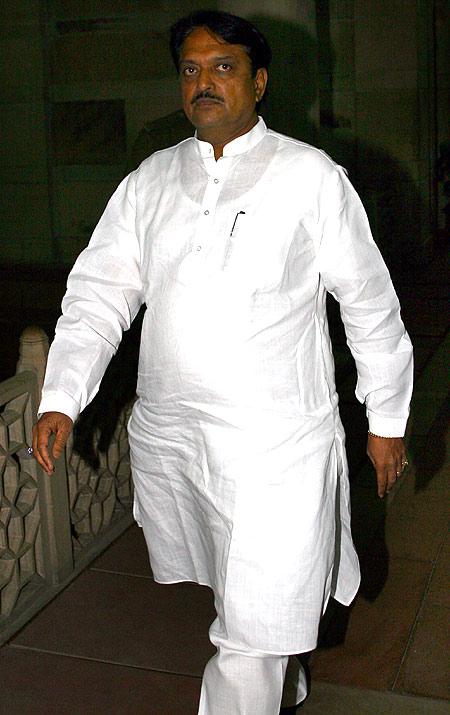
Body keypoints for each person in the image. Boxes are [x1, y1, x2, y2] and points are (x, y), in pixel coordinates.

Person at [32, 10, 413, 715]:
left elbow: (369, 301)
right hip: (182, 438)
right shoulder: (150, 181)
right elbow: (99, 291)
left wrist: (386, 416)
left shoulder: (309, 177)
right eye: (190, 69)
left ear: (260, 82)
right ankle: (277, 672)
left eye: (224, 67)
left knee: (253, 620)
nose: (203, 82)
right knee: (245, 602)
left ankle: (259, 671)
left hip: (279, 445)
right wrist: (62, 392)